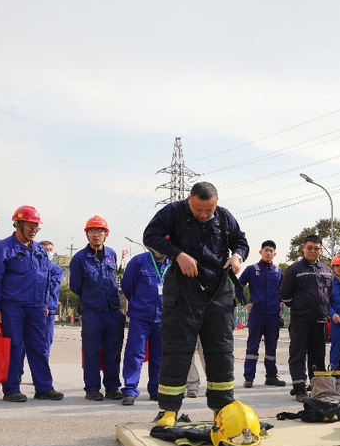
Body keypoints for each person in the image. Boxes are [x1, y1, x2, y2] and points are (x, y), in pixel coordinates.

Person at [144, 182, 248, 425]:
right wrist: (178, 255)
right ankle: (169, 410)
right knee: (178, 350)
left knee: (221, 350)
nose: (203, 215)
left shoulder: (223, 217)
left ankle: (222, 409)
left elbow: (241, 241)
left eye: (208, 210)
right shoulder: (173, 212)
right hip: (184, 289)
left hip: (219, 290)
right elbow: (150, 236)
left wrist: (237, 256)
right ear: (190, 200)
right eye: (198, 210)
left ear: (217, 203)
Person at [0, 205, 63, 402]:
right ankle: (12, 389)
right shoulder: (3, 248)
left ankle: (44, 388)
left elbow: (46, 279)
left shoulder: (39, 250)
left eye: (36, 227)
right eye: (30, 226)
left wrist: (46, 304)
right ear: (17, 224)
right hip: (12, 307)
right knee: (15, 347)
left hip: (37, 307)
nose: (34, 231)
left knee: (39, 347)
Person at [70, 216, 125, 402]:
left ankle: (112, 387)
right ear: (87, 234)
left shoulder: (112, 254)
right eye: (92, 231)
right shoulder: (79, 258)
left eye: (100, 231)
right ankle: (92, 388)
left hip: (113, 311)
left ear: (106, 234)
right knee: (92, 352)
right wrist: (92, 298)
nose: (96, 235)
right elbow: (75, 286)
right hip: (93, 313)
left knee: (113, 352)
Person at [279, 235, 333, 402]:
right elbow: (285, 295)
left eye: (316, 248)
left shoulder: (326, 269)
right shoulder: (294, 270)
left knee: (318, 356)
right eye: (309, 248)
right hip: (300, 320)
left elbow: (329, 293)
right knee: (298, 354)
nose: (312, 251)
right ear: (303, 249)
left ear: (321, 250)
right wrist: (300, 305)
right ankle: (299, 388)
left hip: (320, 320)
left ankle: (318, 387)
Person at [120, 249, 169, 405]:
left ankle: (156, 389)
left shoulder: (174, 263)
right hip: (141, 316)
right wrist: (139, 303)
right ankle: (130, 389)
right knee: (135, 353)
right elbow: (127, 286)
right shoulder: (139, 261)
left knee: (160, 355)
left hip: (164, 318)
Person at [237, 240, 286, 388]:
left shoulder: (278, 271)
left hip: (273, 315)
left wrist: (282, 303)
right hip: (257, 314)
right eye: (266, 250)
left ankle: (271, 376)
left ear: (275, 254)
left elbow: (284, 291)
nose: (269, 253)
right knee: (253, 346)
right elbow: (238, 286)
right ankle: (249, 377)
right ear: (260, 252)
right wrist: (244, 302)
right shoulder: (252, 270)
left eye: (271, 251)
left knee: (271, 347)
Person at [40, 240, 63, 358]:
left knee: (45, 344)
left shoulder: (56, 270)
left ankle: (43, 373)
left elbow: (52, 287)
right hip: (32, 309)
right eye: (45, 250)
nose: (48, 252)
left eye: (50, 250)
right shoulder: (32, 267)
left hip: (49, 311)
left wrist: (47, 305)